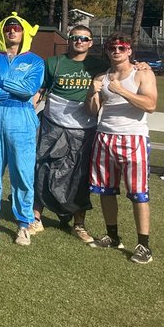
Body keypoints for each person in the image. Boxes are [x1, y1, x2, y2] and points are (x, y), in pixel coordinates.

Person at [87, 33, 158, 264]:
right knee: (105, 190)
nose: (116, 51)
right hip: (104, 137)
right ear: (107, 51)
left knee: (138, 193)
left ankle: (144, 245)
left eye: (121, 47)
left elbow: (151, 105)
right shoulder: (101, 77)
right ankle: (112, 236)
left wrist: (122, 91)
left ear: (129, 50)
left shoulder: (142, 73)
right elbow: (93, 110)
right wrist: (92, 91)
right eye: (112, 47)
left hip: (134, 138)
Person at [34, 24, 102, 243]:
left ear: (90, 43)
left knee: (80, 175)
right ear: (69, 40)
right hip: (52, 125)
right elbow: (41, 90)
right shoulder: (53, 63)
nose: (79, 41)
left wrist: (140, 66)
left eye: (84, 38)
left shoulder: (99, 65)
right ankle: (36, 217)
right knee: (42, 167)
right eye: (75, 38)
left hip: (85, 128)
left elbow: (123, 69)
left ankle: (78, 224)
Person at [0, 12, 45, 246]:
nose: (12, 31)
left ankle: (24, 223)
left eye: (16, 28)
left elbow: (28, 90)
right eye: (8, 28)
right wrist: (9, 88)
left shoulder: (35, 61)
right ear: (1, 31)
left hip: (21, 117)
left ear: (24, 32)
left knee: (22, 171)